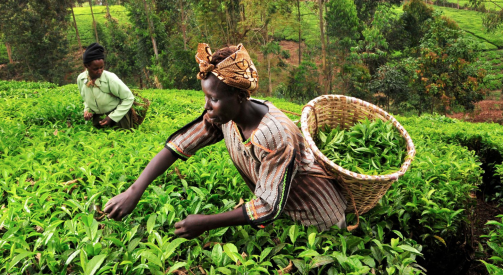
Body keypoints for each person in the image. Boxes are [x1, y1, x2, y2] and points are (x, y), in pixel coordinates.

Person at [103, 43, 347, 239]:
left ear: (239, 96)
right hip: (284, 212)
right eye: (206, 97)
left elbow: (266, 207)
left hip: (318, 218)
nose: (207, 107)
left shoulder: (276, 136)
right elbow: (182, 144)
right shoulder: (225, 116)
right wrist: (134, 190)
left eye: (213, 99)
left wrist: (205, 222)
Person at [77, 42, 137, 129]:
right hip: (98, 119)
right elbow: (85, 99)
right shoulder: (81, 79)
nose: (99, 71)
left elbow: (129, 98)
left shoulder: (110, 79)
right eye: (95, 69)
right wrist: (87, 110)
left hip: (118, 118)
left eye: (101, 67)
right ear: (86, 66)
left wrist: (112, 117)